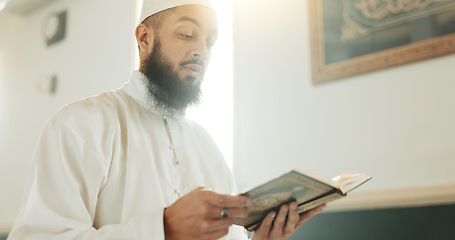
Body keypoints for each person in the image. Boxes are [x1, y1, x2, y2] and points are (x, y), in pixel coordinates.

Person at [7, 0, 325, 239]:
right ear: (145, 38)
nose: (202, 50)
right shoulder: (79, 125)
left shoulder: (206, 146)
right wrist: (163, 228)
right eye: (187, 34)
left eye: (210, 41)